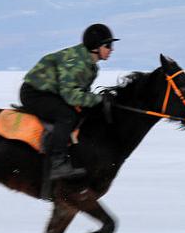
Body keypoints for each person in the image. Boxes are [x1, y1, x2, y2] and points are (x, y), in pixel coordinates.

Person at [20, 23, 118, 179]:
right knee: (66, 116)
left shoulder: (90, 66)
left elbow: (78, 93)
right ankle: (57, 162)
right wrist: (98, 99)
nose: (111, 49)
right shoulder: (75, 63)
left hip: (52, 92)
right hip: (34, 93)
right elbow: (71, 96)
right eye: (108, 45)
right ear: (95, 47)